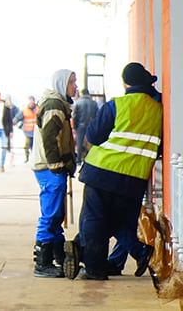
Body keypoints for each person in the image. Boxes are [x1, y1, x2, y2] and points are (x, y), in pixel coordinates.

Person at [64, 62, 163, 281]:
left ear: (126, 84)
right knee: (117, 221)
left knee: (95, 220)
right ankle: (138, 251)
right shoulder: (158, 110)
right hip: (135, 177)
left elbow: (94, 135)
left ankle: (95, 268)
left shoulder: (117, 105)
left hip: (103, 172)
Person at [31, 69, 77, 278]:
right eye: (71, 83)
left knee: (57, 215)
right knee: (49, 216)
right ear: (61, 84)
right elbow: (50, 139)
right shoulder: (54, 106)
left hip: (51, 168)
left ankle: (58, 257)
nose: (75, 87)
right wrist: (58, 165)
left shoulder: (59, 105)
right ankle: (42, 263)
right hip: (50, 169)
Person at [72, 88, 99, 163]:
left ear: (82, 94)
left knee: (79, 143)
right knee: (91, 143)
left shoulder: (78, 103)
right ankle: (91, 159)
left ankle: (78, 159)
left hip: (80, 126)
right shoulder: (94, 103)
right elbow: (97, 115)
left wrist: (75, 126)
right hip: (91, 126)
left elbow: (74, 116)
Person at [21, 96, 38, 163]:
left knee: (35, 146)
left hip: (36, 131)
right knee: (26, 146)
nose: (31, 102)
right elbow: (18, 118)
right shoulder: (25, 110)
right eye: (30, 100)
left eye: (32, 100)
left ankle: (35, 158)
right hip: (28, 131)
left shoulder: (38, 109)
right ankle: (27, 157)